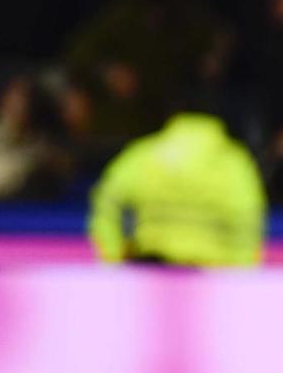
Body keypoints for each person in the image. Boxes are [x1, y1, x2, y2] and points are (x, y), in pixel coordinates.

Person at [87, 107, 266, 266]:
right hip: (214, 277)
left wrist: (112, 258)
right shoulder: (234, 163)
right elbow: (247, 222)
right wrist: (240, 275)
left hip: (151, 270)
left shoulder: (143, 153)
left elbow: (106, 201)